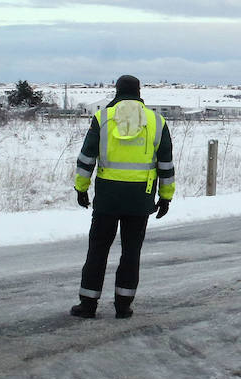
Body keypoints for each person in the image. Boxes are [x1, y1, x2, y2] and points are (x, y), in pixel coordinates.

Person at [71, 75, 175, 318]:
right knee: (131, 252)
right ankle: (123, 305)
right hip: (141, 198)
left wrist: (81, 188)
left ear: (116, 91)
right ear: (139, 92)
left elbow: (87, 158)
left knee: (97, 249)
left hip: (108, 196)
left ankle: (88, 304)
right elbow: (166, 164)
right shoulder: (156, 122)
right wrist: (166, 196)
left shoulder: (102, 118)